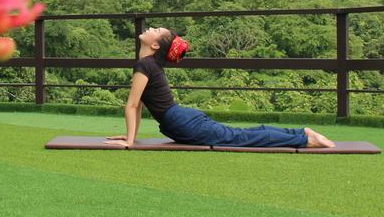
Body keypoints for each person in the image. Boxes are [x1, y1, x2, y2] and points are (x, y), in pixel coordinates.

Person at [105, 26, 336, 149]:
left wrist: (130, 141)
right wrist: (131, 136)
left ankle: (304, 140)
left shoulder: (145, 65)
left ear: (155, 45)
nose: (151, 28)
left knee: (240, 137)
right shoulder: (149, 64)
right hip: (181, 120)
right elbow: (139, 105)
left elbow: (133, 105)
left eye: (156, 31)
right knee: (240, 134)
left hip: (182, 122)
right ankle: (301, 133)